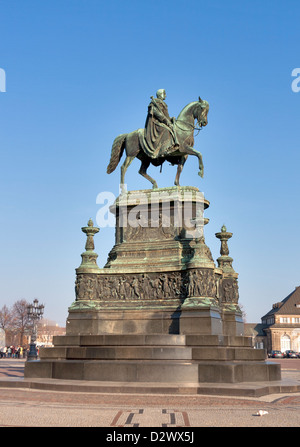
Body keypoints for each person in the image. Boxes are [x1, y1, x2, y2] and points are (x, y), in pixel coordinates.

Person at [143, 89, 179, 159]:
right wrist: (166, 121)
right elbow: (158, 114)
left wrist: (171, 119)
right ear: (160, 94)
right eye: (164, 94)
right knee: (166, 130)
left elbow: (166, 116)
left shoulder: (163, 104)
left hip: (163, 121)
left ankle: (174, 144)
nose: (165, 95)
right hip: (156, 123)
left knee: (174, 128)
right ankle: (162, 150)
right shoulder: (155, 103)